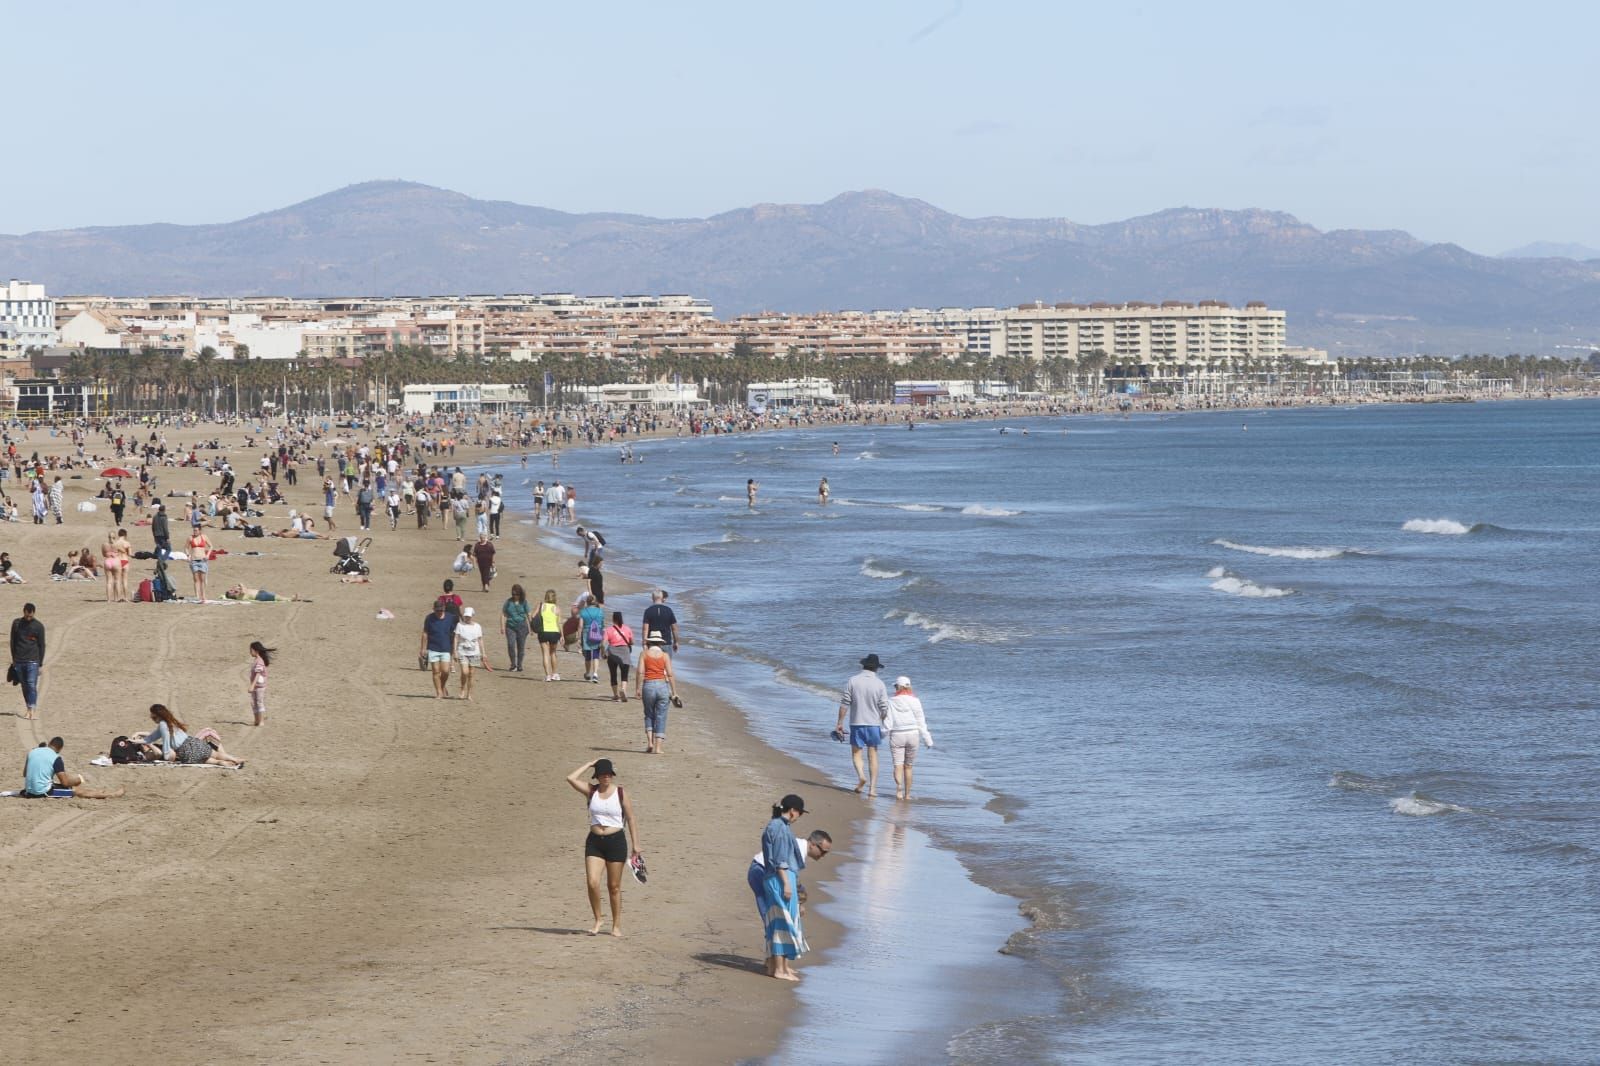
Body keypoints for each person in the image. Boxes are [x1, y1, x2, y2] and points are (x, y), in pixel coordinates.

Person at [564, 758, 641, 937]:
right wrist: (589, 763)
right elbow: (570, 778)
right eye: (602, 774)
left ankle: (616, 925)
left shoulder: (620, 793)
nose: (606, 777)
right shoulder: (591, 791)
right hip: (595, 842)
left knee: (613, 886)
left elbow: (631, 818)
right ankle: (598, 919)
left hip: (616, 842)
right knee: (592, 882)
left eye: (609, 774)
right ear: (597, 776)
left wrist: (636, 844)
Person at [746, 825, 831, 977]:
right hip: (760, 871)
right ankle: (776, 966)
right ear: (812, 844)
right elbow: (782, 868)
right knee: (774, 917)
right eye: (823, 851)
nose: (824, 855)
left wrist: (798, 902)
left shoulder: (800, 849)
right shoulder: (797, 848)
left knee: (775, 918)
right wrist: (797, 903)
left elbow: (793, 878)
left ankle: (773, 963)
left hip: (763, 871)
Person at [756, 794, 811, 981]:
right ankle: (779, 970)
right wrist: (787, 884)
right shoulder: (778, 827)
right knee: (782, 923)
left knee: (783, 921)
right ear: (793, 811)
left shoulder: (779, 825)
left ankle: (777, 967)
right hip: (779, 878)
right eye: (800, 813)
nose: (799, 816)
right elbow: (780, 859)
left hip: (779, 877)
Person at [834, 652, 892, 798]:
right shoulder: (880, 684)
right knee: (873, 755)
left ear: (864, 665)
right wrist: (882, 719)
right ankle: (872, 789)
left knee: (856, 753)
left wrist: (840, 722)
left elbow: (845, 703)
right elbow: (884, 707)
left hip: (856, 723)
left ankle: (861, 776)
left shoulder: (853, 681)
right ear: (876, 669)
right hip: (873, 725)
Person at [132, 704, 245, 767]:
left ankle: (222, 764)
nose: (152, 719)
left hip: (185, 752)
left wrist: (167, 755)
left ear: (158, 716)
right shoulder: (170, 721)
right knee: (215, 754)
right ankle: (235, 759)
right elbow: (152, 737)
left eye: (153, 717)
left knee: (209, 761)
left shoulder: (162, 724)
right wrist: (137, 737)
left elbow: (155, 739)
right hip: (193, 743)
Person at [22, 737, 123, 800]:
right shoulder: (56, 758)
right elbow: (65, 783)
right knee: (77, 791)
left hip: (28, 790)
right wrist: (76, 781)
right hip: (41, 792)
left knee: (72, 788)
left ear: (49, 744)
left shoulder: (32, 751)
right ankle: (112, 794)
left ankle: (101, 792)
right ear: (60, 749)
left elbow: (25, 774)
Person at [885, 675, 935, 799]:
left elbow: (888, 722)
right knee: (908, 766)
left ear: (898, 687)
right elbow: (921, 721)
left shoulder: (891, 701)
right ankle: (907, 795)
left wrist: (880, 735)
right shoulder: (915, 701)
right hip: (913, 735)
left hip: (897, 735)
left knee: (898, 765)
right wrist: (928, 740)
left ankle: (899, 790)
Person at [633, 630, 679, 754]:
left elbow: (640, 672)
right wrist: (674, 692)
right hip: (662, 686)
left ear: (649, 642)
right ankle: (658, 748)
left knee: (649, 714)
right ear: (660, 643)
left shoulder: (644, 654)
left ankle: (650, 743)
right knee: (661, 716)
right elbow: (670, 675)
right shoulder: (665, 656)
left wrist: (637, 688)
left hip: (648, 685)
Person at [9, 602, 45, 720]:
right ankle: (28, 708)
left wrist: (40, 664)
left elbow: (41, 645)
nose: (29, 617)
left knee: (31, 685)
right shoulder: (17, 624)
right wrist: (14, 659)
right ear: (23, 612)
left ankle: (32, 710)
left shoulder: (39, 626)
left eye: (31, 616)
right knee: (24, 686)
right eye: (27, 615)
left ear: (34, 613)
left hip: (33, 661)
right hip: (19, 660)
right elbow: (12, 642)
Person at [419, 597, 457, 699]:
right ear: (434, 609)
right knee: (435, 671)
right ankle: (439, 693)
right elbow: (425, 633)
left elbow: (455, 633)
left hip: (445, 648)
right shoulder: (429, 618)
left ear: (444, 608)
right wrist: (422, 648)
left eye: (441, 610)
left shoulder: (450, 618)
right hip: (433, 647)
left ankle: (442, 686)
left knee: (445, 671)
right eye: (438, 610)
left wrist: (455, 648)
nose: (440, 612)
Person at [453, 605, 485, 701]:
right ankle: (462, 688)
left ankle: (469, 693)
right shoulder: (460, 625)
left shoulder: (477, 626)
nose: (467, 618)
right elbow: (456, 638)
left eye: (469, 616)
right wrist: (454, 651)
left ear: (472, 615)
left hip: (474, 653)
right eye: (466, 616)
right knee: (464, 672)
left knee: (471, 674)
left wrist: (484, 653)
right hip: (462, 651)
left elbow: (480, 640)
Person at [603, 610, 634, 703]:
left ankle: (616, 695)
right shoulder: (627, 629)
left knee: (613, 674)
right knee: (624, 674)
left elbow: (603, 643)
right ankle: (623, 690)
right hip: (625, 652)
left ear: (613, 619)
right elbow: (631, 642)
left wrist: (603, 652)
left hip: (612, 652)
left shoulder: (608, 630)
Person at [500, 584, 531, 672]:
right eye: (513, 594)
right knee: (511, 645)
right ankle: (513, 664)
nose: (515, 596)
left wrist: (531, 627)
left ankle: (520, 665)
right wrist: (502, 626)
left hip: (522, 626)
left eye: (516, 594)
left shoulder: (524, 602)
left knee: (521, 647)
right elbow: (503, 614)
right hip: (510, 626)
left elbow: (529, 615)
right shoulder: (508, 602)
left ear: (520, 594)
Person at [578, 594, 606, 684]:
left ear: (587, 602)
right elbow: (603, 625)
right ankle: (595, 674)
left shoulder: (583, 611)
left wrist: (578, 637)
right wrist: (603, 636)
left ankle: (587, 673)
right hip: (597, 633)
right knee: (596, 655)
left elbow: (580, 626)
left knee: (588, 656)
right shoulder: (600, 611)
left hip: (586, 634)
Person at [536, 588, 563, 681]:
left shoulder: (541, 606)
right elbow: (559, 623)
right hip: (554, 632)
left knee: (545, 653)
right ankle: (555, 674)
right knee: (553, 653)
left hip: (543, 631)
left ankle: (548, 676)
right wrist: (562, 635)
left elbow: (532, 616)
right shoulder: (557, 608)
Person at [642, 589, 680, 654]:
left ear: (652, 598)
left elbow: (645, 629)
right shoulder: (668, 610)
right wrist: (676, 642)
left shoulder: (648, 611)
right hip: (666, 642)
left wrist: (644, 643)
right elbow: (674, 628)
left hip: (652, 643)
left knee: (652, 663)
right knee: (667, 663)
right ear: (662, 598)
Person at [247, 641, 274, 726]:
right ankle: (256, 720)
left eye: (251, 650)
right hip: (256, 686)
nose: (250, 652)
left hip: (259, 686)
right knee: (253, 702)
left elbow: (258, 674)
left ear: (256, 651)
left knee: (259, 702)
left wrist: (252, 685)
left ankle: (261, 721)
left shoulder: (259, 661)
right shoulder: (257, 660)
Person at [188, 525, 213, 602]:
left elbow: (211, 546)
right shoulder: (190, 538)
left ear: (200, 531)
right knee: (196, 579)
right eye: (194, 530)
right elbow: (186, 547)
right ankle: (197, 596)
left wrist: (208, 555)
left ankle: (203, 595)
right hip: (194, 560)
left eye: (196, 530)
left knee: (202, 579)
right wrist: (188, 555)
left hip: (202, 560)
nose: (194, 532)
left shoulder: (204, 537)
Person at [224, 585, 307, 602]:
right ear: (231, 596)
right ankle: (291, 599)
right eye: (230, 592)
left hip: (260, 594)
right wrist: (239, 587)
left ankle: (291, 599)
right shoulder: (239, 596)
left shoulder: (239, 595)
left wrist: (236, 588)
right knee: (277, 597)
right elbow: (243, 588)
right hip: (260, 595)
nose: (232, 590)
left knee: (277, 597)